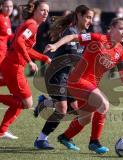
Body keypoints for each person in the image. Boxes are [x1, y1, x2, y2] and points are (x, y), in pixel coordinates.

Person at [44, 17, 123, 153]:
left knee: (85, 119)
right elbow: (73, 36)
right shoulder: (98, 38)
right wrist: (55, 46)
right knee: (104, 104)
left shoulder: (121, 51)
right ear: (111, 28)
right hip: (77, 80)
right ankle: (94, 142)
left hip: (90, 85)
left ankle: (65, 137)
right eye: (121, 28)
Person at [0, 0, 51, 139]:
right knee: (27, 103)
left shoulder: (30, 24)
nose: (46, 13)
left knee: (18, 101)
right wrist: (30, 61)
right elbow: (20, 41)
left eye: (47, 11)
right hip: (14, 66)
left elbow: (25, 46)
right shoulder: (32, 25)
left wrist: (43, 58)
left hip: (11, 64)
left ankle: (1, 131)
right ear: (35, 10)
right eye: (43, 10)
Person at [33, 5, 94, 150]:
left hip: (68, 77)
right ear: (79, 15)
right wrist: (55, 45)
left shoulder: (84, 34)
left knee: (76, 111)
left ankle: (45, 102)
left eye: (92, 18)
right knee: (62, 109)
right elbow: (68, 38)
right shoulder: (70, 31)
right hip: (56, 74)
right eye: (88, 17)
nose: (90, 21)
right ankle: (41, 140)